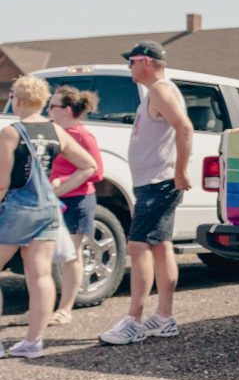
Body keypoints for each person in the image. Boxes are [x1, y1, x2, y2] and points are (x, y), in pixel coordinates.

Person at [99, 41, 194, 345]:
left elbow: (185, 128)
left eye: (132, 61)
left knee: (138, 247)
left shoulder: (160, 90)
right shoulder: (155, 91)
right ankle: (164, 317)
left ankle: (134, 319)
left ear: (148, 62)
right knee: (159, 246)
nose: (129, 67)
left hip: (159, 183)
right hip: (155, 182)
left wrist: (180, 171)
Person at [0, 76, 97, 358]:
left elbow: (3, 182)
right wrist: (61, 188)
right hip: (46, 209)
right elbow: (88, 165)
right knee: (40, 275)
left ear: (17, 100)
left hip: (17, 207)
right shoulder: (55, 129)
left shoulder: (11, 132)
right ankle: (33, 342)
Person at [47, 85, 105, 325]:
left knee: (71, 256)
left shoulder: (82, 136)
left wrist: (63, 185)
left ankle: (65, 309)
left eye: (52, 106)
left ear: (68, 110)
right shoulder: (53, 133)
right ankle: (43, 308)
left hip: (78, 201)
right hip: (55, 201)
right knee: (48, 257)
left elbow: (97, 171)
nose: (47, 110)